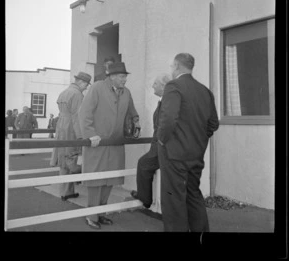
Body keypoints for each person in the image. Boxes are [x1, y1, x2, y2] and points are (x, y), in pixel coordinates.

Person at [157, 53, 219, 232]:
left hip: (174, 154)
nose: (171, 69)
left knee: (173, 200)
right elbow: (213, 124)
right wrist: (197, 141)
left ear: (176, 65)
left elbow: (168, 119)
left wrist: (162, 139)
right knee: (193, 195)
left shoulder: (173, 85)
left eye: (171, 66)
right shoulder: (204, 90)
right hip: (196, 154)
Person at [78, 62, 140, 229]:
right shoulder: (97, 87)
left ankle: (101, 213)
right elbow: (84, 113)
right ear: (112, 76)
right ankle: (92, 216)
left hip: (116, 144)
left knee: (110, 180)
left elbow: (133, 113)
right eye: (122, 76)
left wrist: (136, 124)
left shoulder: (126, 92)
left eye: (125, 76)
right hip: (98, 143)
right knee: (96, 181)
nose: (125, 79)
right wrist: (90, 135)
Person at [130, 73, 171, 208]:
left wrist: (157, 146)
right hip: (161, 146)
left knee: (143, 163)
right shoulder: (166, 100)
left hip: (162, 147)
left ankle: (145, 198)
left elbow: (163, 127)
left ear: (164, 86)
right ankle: (146, 196)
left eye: (156, 83)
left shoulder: (168, 102)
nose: (153, 86)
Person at [50, 72, 91, 201]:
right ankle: (68, 190)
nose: (86, 88)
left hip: (61, 126)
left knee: (63, 159)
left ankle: (66, 191)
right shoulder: (77, 94)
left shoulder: (64, 92)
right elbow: (77, 117)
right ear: (82, 82)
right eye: (86, 85)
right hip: (70, 129)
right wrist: (81, 137)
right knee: (71, 158)